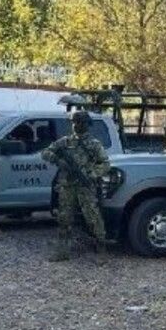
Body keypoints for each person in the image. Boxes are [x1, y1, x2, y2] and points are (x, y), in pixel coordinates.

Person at [41, 111, 110, 264]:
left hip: (85, 186)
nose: (76, 125)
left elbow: (105, 164)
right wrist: (58, 160)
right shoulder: (65, 142)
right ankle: (63, 251)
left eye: (80, 122)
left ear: (86, 124)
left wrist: (90, 174)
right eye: (74, 122)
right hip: (67, 185)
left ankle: (101, 250)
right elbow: (45, 153)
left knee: (93, 217)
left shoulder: (94, 144)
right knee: (64, 218)